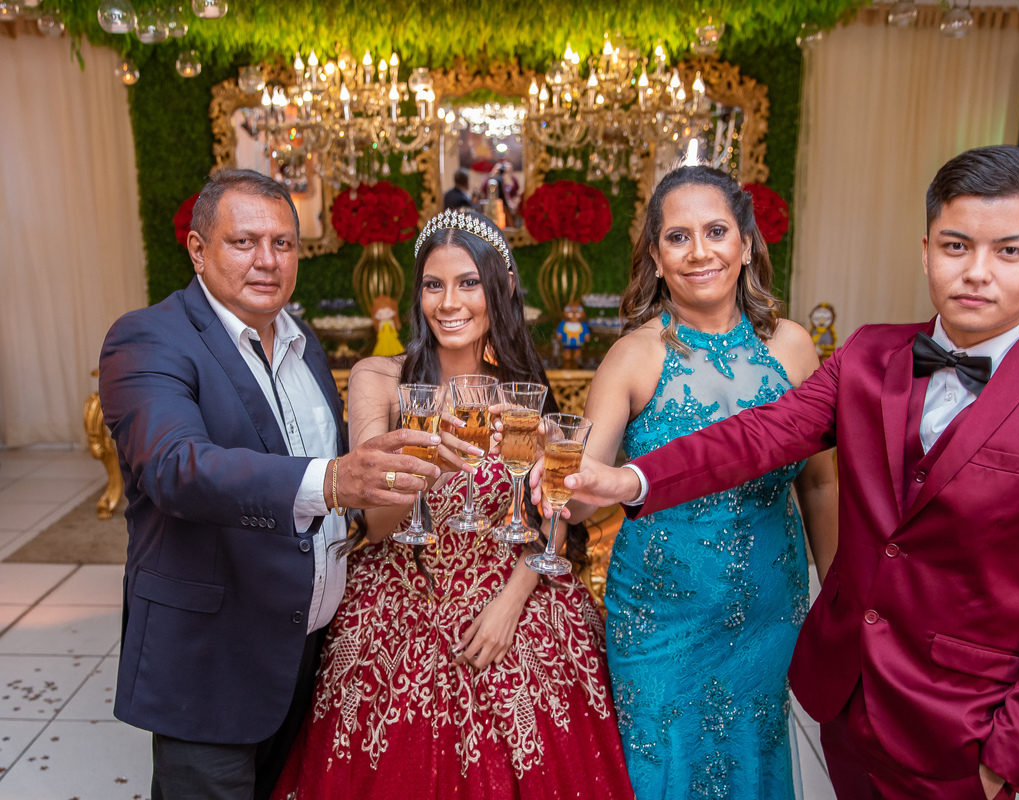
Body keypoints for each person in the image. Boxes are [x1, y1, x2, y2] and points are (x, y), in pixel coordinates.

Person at [536, 146, 1019, 799]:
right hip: (848, 700)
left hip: (963, 726)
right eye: (956, 246)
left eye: (1010, 251)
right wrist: (628, 481)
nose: (976, 272)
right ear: (926, 251)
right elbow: (758, 436)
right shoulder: (869, 356)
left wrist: (1009, 753)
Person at [99, 169, 450, 800]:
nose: (267, 260)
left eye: (283, 243)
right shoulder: (149, 337)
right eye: (244, 242)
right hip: (212, 661)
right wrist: (335, 479)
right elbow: (176, 467)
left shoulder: (302, 341)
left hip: (303, 654)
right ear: (198, 250)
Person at [271, 209, 635, 800]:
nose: (449, 303)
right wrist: (431, 453)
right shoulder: (379, 379)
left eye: (468, 283)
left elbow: (552, 512)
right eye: (433, 285)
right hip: (400, 600)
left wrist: (511, 602)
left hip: (514, 595)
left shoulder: (520, 387)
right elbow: (374, 521)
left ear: (502, 287)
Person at [571, 165, 837, 798]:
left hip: (768, 609)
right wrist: (554, 481)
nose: (699, 252)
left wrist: (839, 596)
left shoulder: (793, 348)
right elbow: (579, 498)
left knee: (751, 760)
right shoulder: (635, 356)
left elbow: (820, 485)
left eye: (716, 231)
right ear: (656, 258)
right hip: (662, 616)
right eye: (677, 237)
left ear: (745, 244)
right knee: (664, 767)